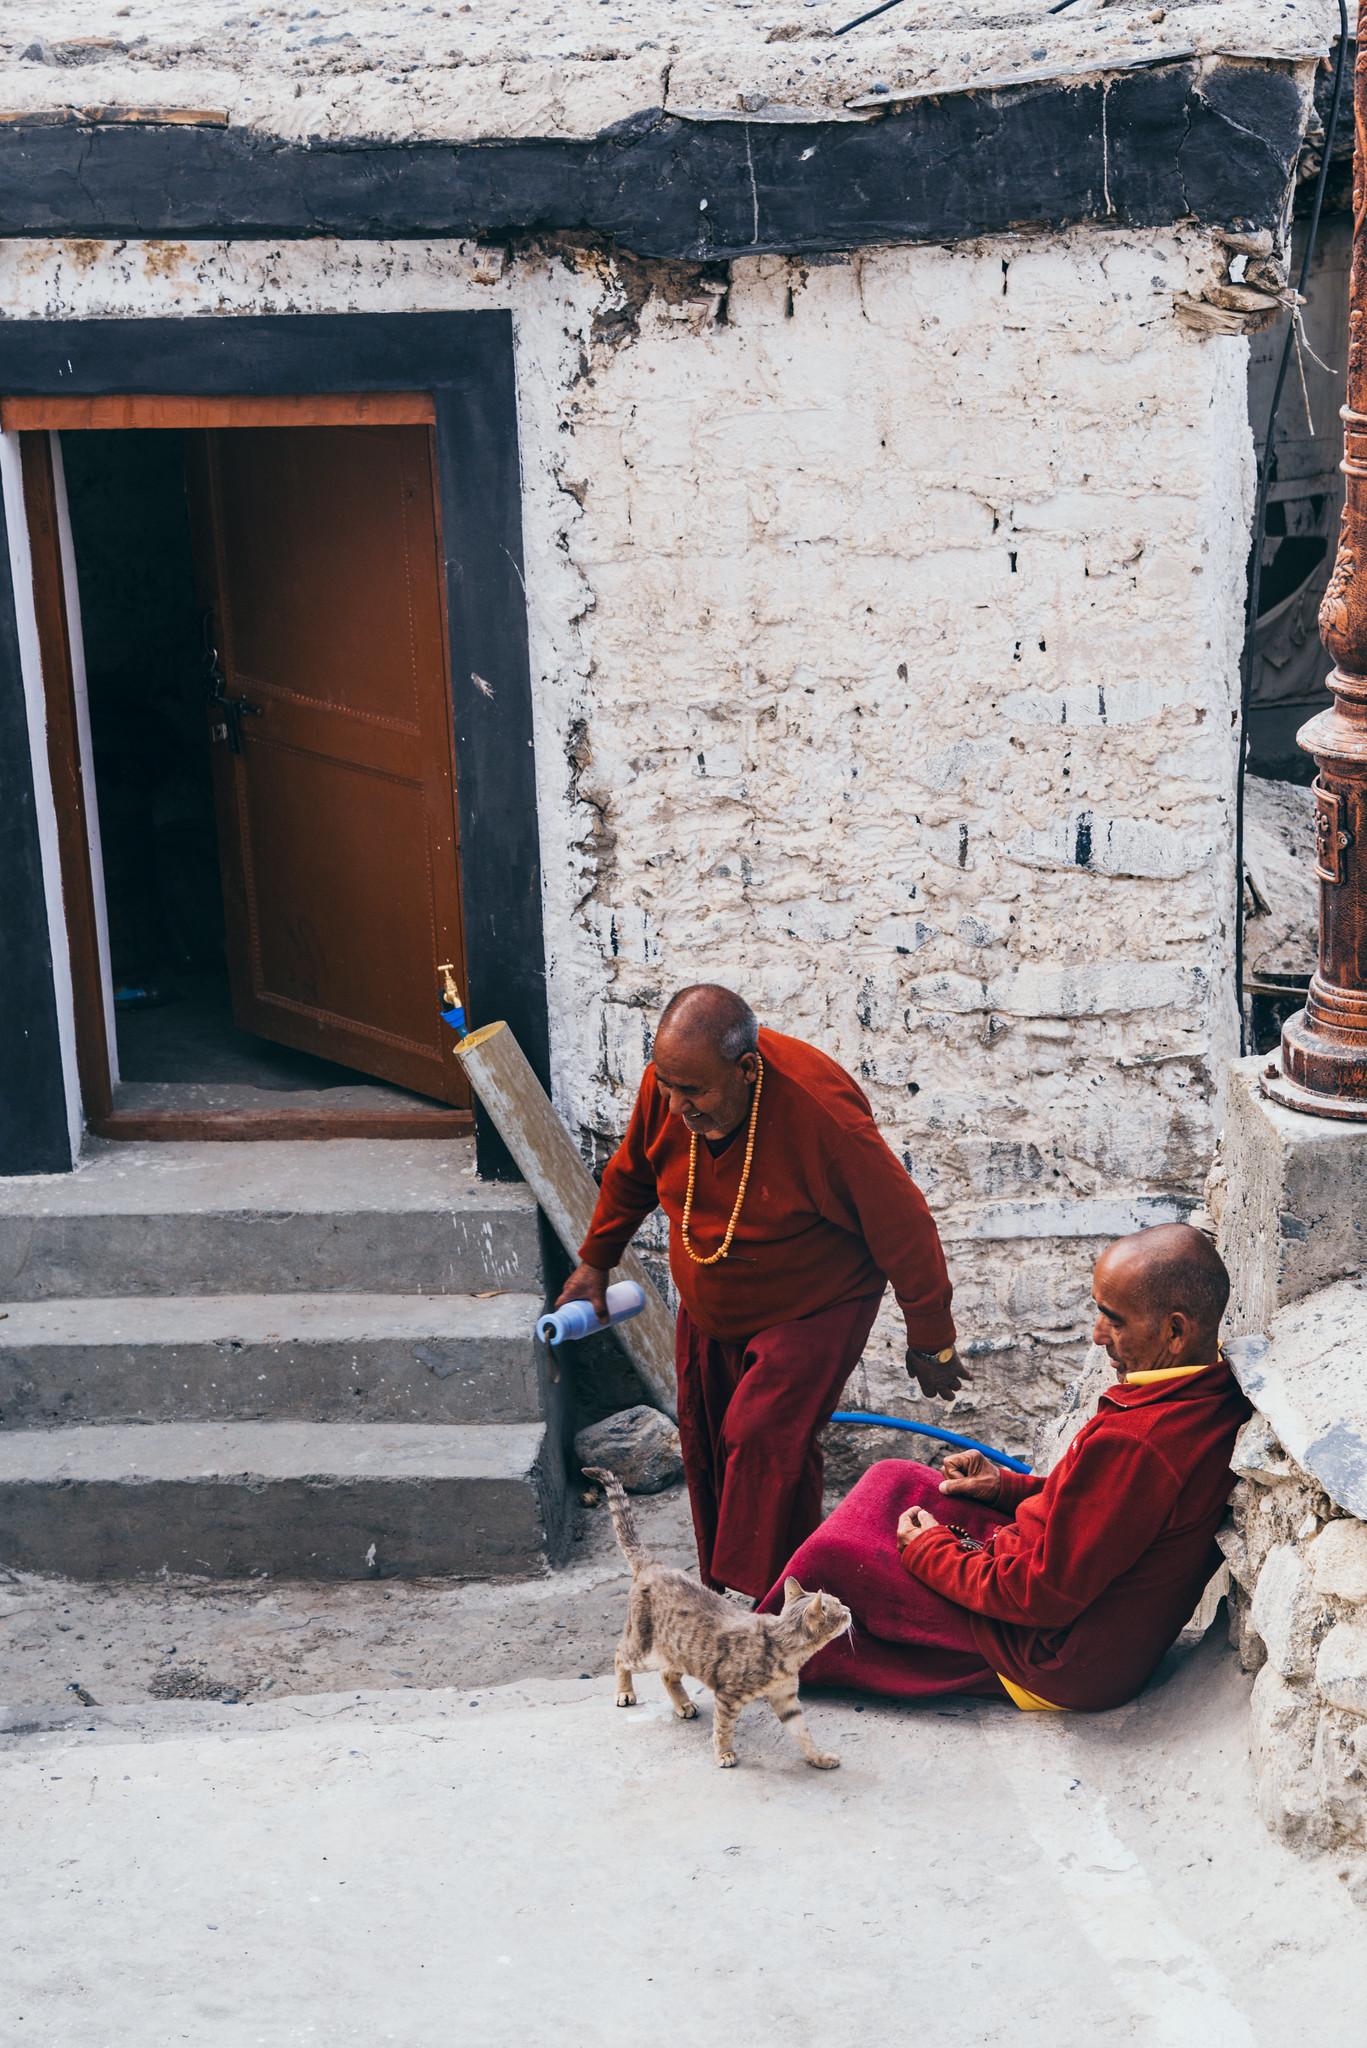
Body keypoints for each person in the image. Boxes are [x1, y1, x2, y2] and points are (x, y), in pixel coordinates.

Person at [557, 984, 960, 1601]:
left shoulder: (819, 1114)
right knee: (712, 1440)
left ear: (746, 1069)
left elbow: (903, 1225)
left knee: (761, 1433)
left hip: (816, 1301)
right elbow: (631, 1173)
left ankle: (749, 1609)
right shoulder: (669, 1087)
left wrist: (930, 1337)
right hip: (715, 1299)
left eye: (693, 1091)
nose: (677, 1104)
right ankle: (781, 1584)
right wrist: (594, 1264)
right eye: (668, 1086)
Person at [757, 1223, 1251, 1712]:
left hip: (1054, 1653)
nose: (1098, 1335)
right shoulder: (1205, 1387)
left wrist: (931, 1550)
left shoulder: (1140, 1442)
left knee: (838, 1557)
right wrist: (1003, 1489)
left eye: (1114, 1320)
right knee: (897, 1479)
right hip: (1061, 1596)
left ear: (1175, 1331)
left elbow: (1042, 1595)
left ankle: (752, 1658)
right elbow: (1104, 1508)